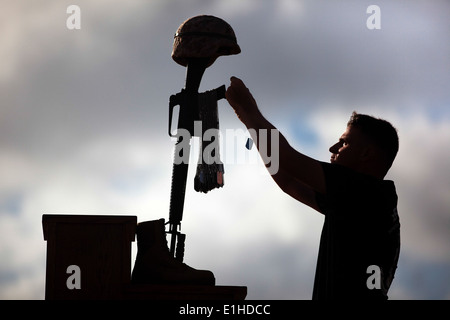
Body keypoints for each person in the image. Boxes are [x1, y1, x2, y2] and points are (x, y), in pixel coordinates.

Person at [225, 76, 400, 300]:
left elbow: (286, 159)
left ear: (367, 154)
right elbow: (288, 181)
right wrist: (249, 119)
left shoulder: (368, 193)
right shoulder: (363, 202)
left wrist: (249, 111)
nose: (333, 147)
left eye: (344, 142)